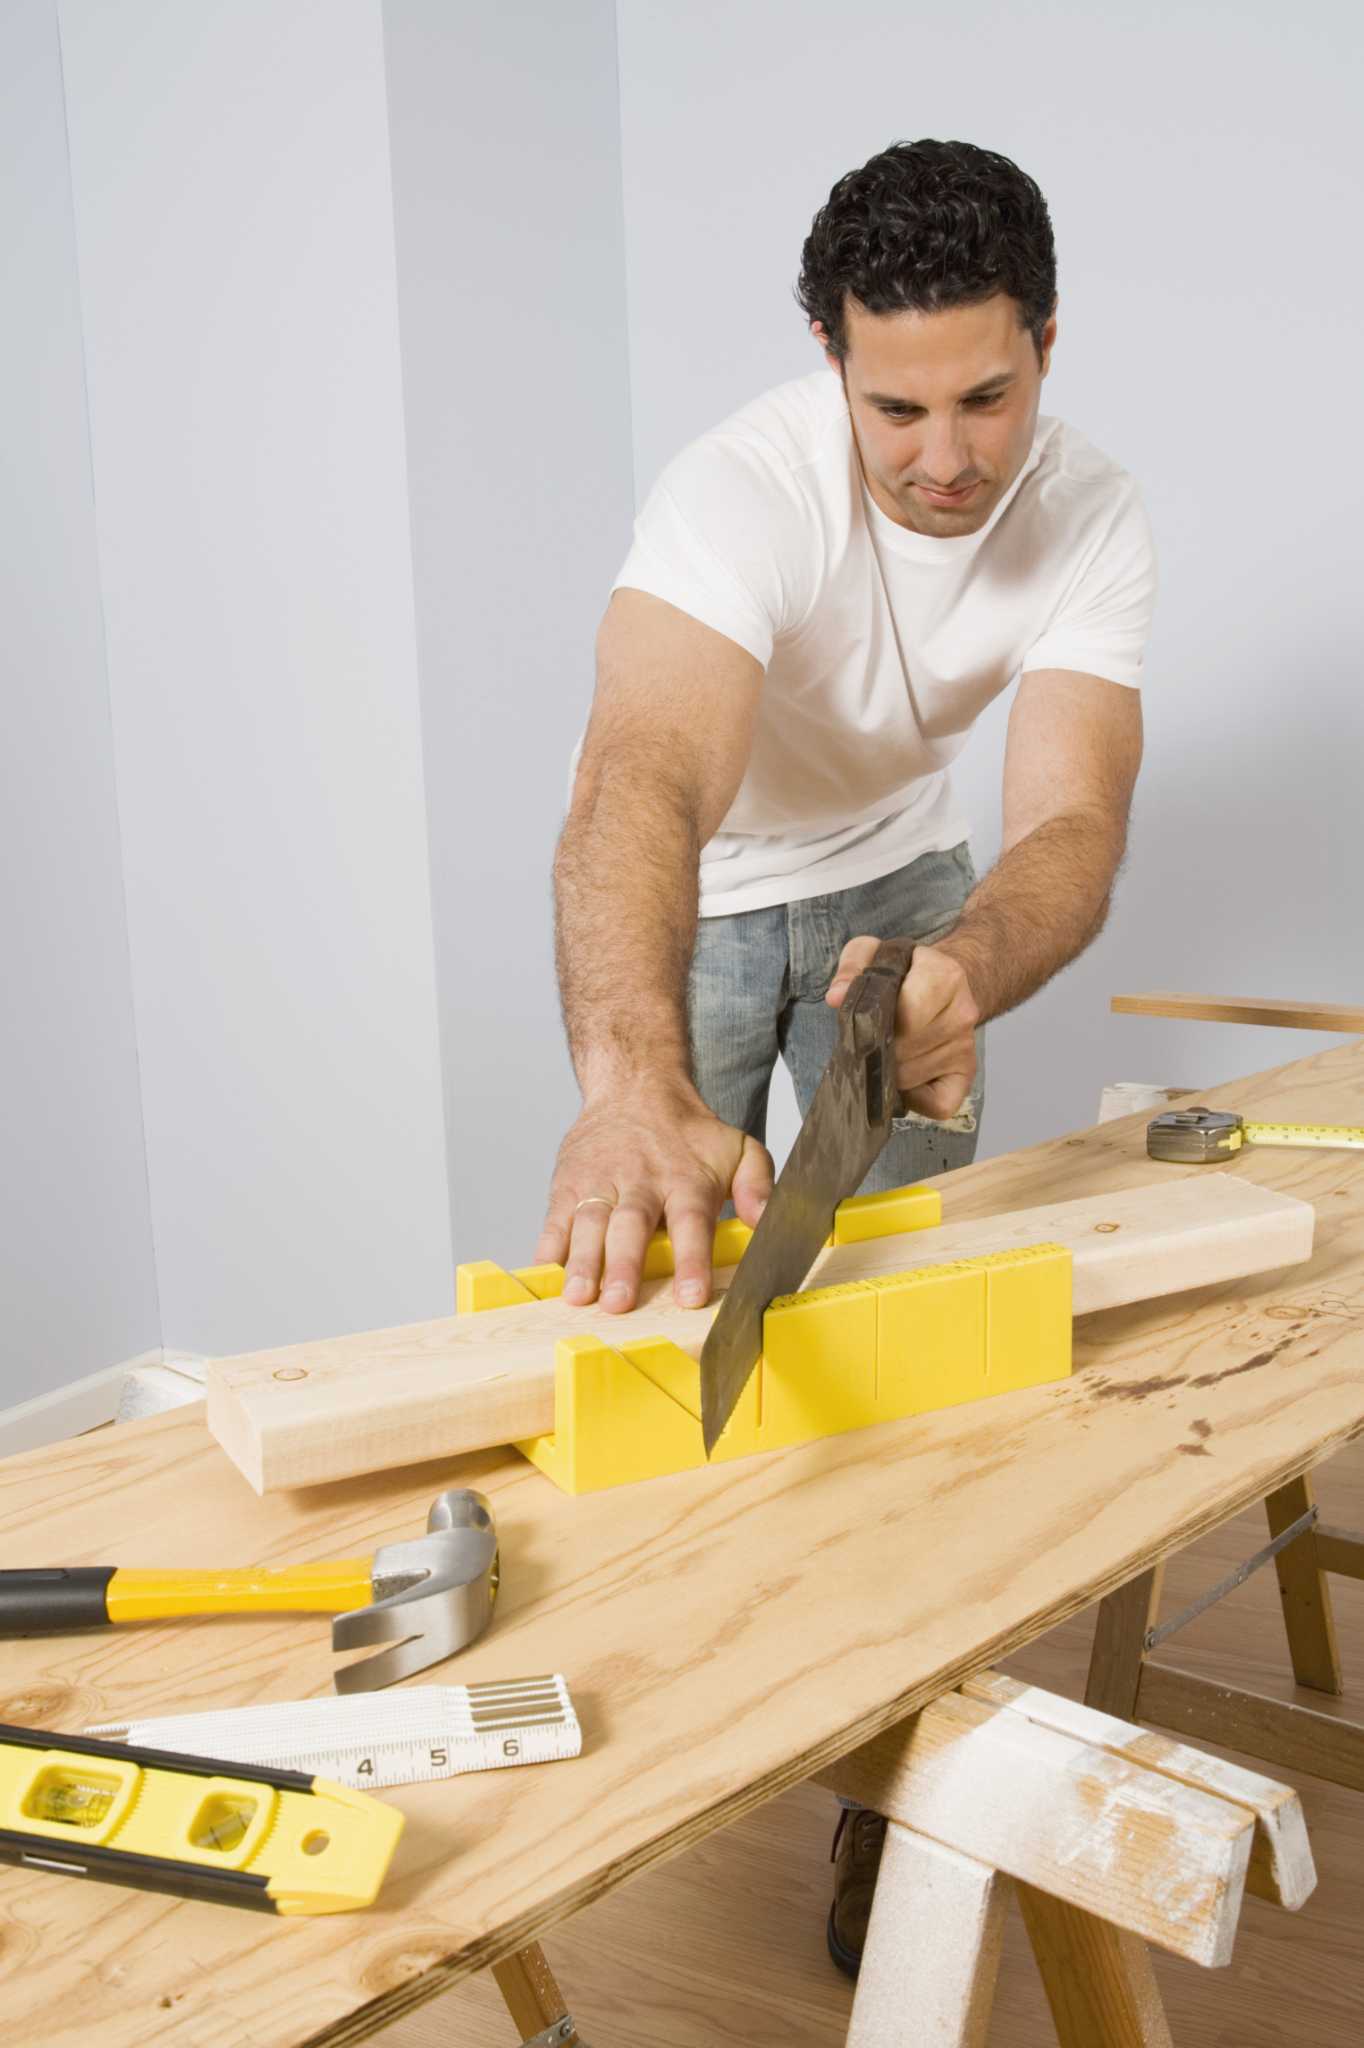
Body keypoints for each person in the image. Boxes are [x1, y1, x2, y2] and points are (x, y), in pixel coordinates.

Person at [537, 137, 1156, 1974]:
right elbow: (640, 777)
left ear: (1048, 343)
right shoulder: (736, 495)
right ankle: (662, 1727)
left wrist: (962, 966)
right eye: (897, 406)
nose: (946, 455)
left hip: (909, 887)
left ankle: (888, 1794)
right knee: (655, 1307)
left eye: (988, 393)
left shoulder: (1099, 513)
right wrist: (630, 1078)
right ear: (831, 361)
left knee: (901, 1352)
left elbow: (1072, 829)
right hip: (701, 906)